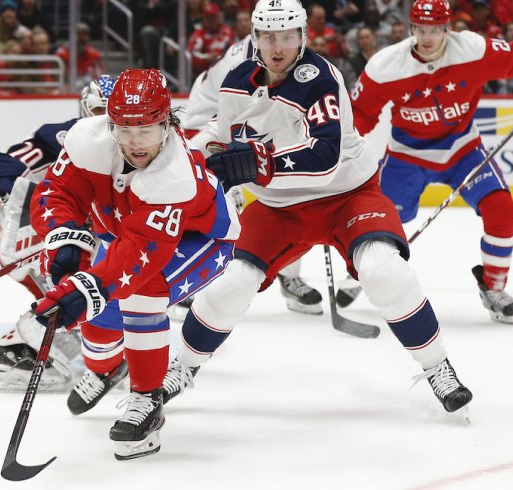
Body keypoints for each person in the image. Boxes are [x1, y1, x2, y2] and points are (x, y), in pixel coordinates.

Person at [166, 0, 473, 416]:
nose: (279, 47)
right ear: (254, 38)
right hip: (279, 207)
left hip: (347, 196)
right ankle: (180, 369)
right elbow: (222, 133)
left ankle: (438, 367)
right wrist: (183, 154)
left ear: (303, 36)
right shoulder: (237, 81)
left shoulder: (321, 79)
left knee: (384, 270)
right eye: (269, 37)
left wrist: (262, 162)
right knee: (230, 282)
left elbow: (325, 156)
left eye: (288, 36)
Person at [341, 0, 513, 325]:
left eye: (435, 29)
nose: (428, 37)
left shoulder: (471, 50)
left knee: (503, 211)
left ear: (448, 28)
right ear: (411, 29)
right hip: (408, 154)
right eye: (422, 29)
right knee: (383, 221)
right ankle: (360, 271)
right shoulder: (386, 65)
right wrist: (336, 144)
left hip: (462, 149)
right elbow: (359, 114)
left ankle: (494, 287)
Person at [27, 68, 240, 459]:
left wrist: (83, 290)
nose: (134, 141)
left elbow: (139, 259)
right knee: (98, 315)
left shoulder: (174, 175)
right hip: (129, 233)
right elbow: (57, 192)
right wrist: (64, 238)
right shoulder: (87, 140)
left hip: (203, 239)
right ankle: (105, 368)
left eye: (146, 128)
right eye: (124, 128)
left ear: (167, 124)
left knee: (141, 292)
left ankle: (146, 403)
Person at [0, 76, 118, 393]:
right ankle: (37, 332)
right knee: (77, 293)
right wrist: (17, 208)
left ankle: (42, 336)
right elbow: (1, 168)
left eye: (111, 113)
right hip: (55, 240)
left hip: (105, 237)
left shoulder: (137, 138)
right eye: (99, 111)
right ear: (85, 109)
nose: (105, 122)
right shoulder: (62, 137)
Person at [181, 34, 325, 316]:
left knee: (291, 192)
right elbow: (230, 120)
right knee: (220, 205)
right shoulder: (244, 59)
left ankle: (289, 275)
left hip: (249, 122)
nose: (279, 43)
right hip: (206, 124)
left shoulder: (294, 51)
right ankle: (195, 280)